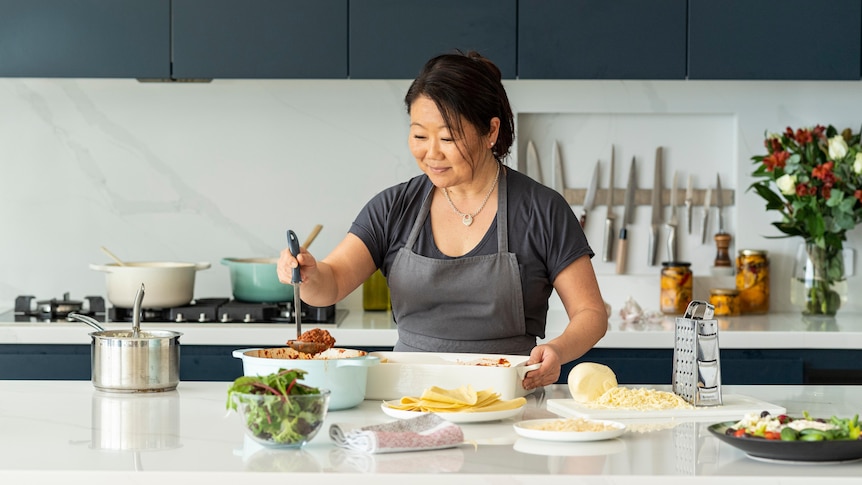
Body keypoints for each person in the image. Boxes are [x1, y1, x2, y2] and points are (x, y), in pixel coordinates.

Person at [278, 51, 607, 389]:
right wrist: (308, 274)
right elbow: (330, 285)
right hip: (407, 398)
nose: (431, 153)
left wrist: (557, 349)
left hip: (507, 401)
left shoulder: (542, 210)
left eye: (448, 138)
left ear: (491, 131)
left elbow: (591, 314)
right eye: (420, 136)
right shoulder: (394, 207)